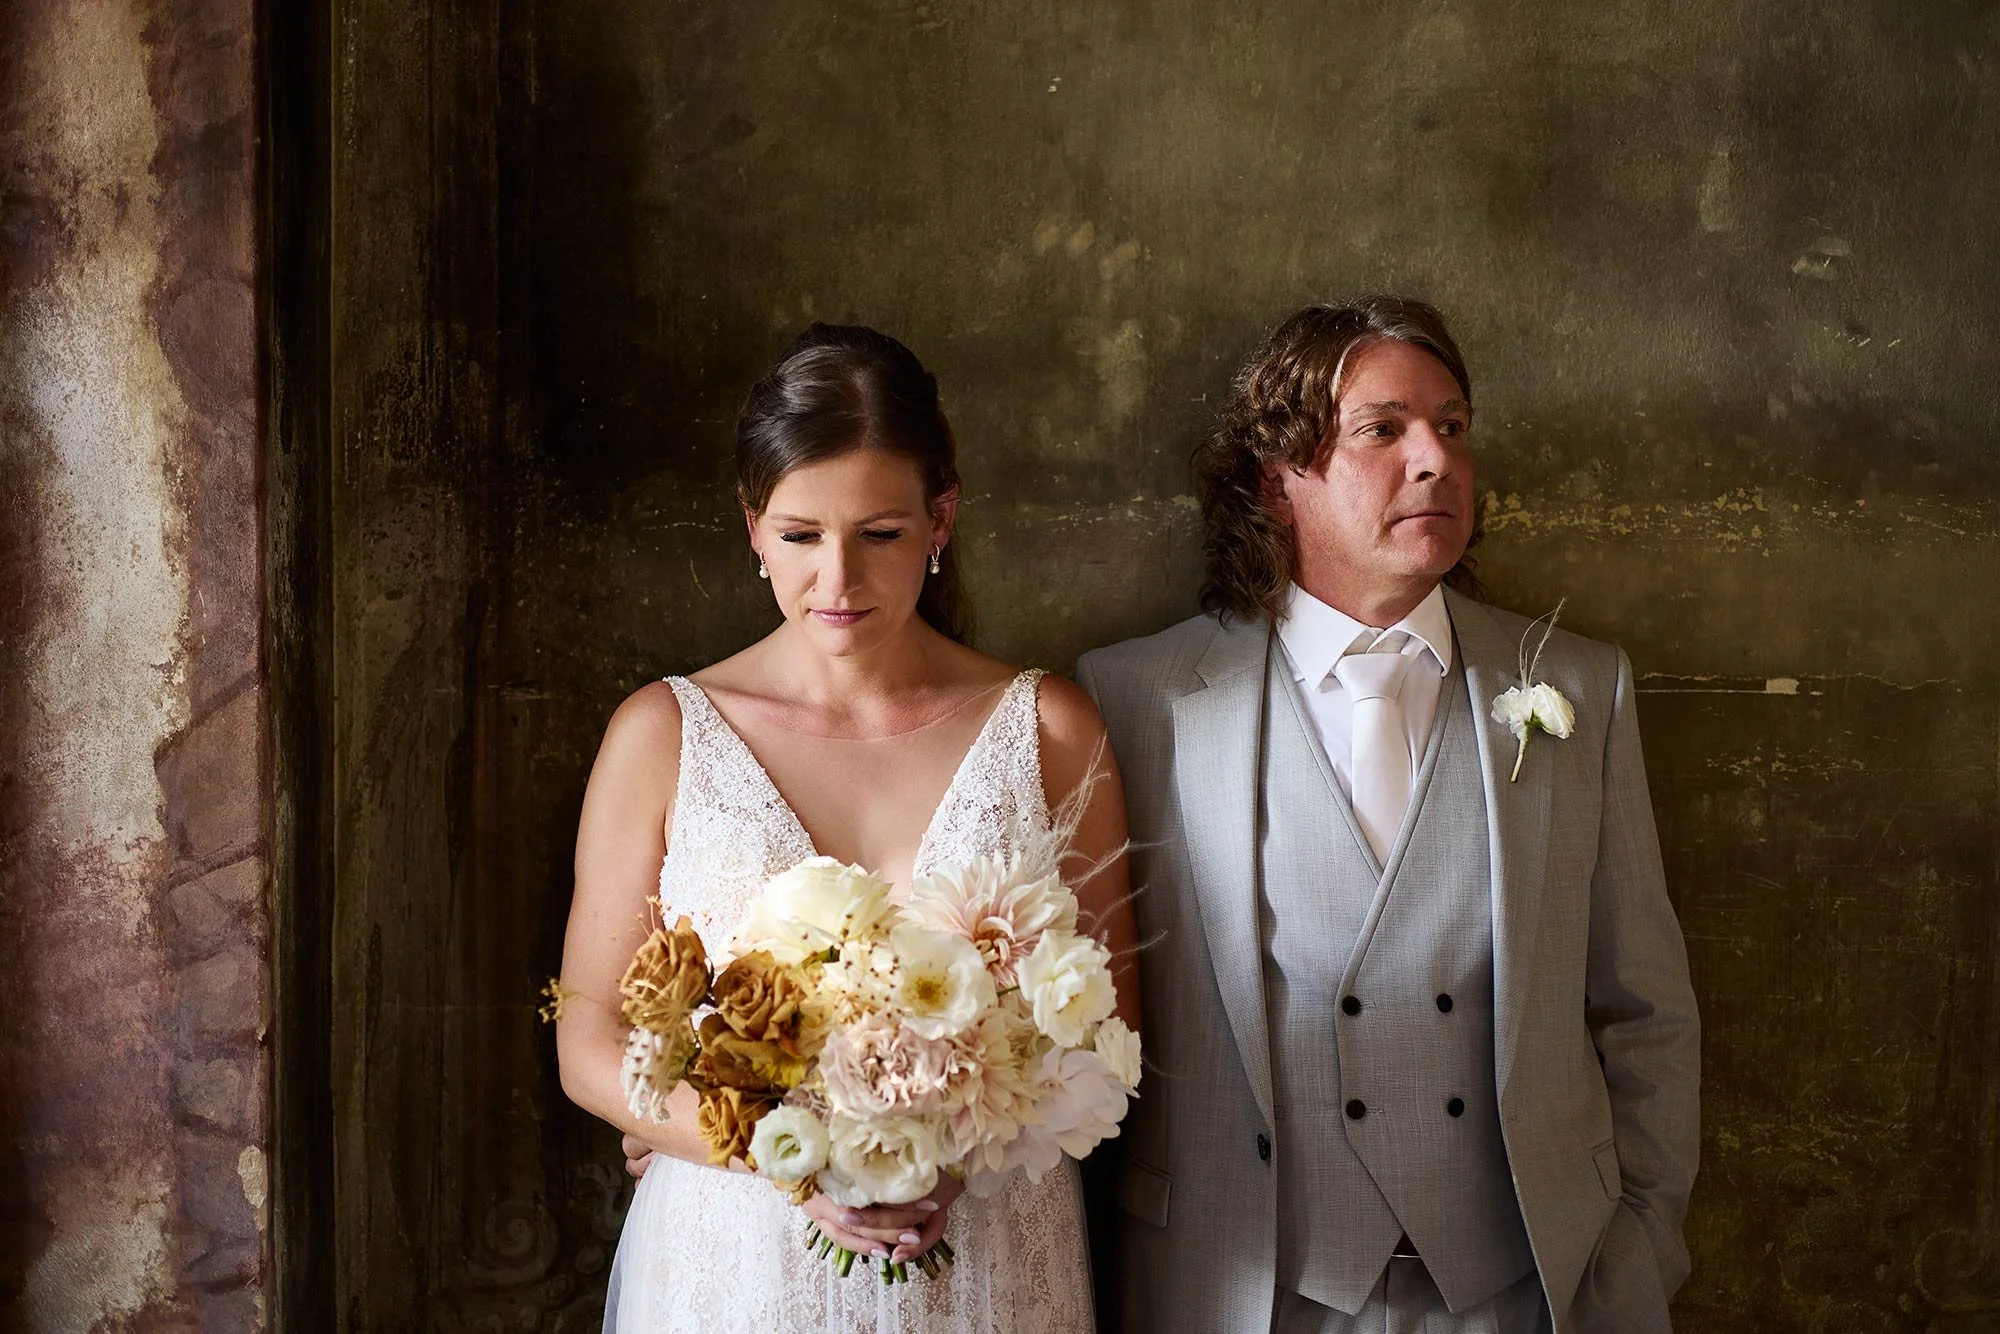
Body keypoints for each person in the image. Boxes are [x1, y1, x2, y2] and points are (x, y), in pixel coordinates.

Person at [1077, 297, 1699, 1334]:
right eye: (1383, 429)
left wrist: (1638, 1251)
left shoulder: (1581, 689)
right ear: (1277, 477)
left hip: (1526, 1288)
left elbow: (1645, 1010)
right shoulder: (1135, 697)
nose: (1434, 459)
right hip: (1245, 1287)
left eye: (1452, 427)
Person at [556, 323, 1136, 1333]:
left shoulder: (1048, 728)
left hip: (986, 1254)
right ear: (752, 526)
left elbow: (1110, 1025)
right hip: (738, 1263)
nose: (836, 581)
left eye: (879, 534)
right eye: (799, 536)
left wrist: (954, 1156)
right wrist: (781, 1155)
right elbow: (590, 1039)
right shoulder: (663, 733)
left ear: (940, 518)